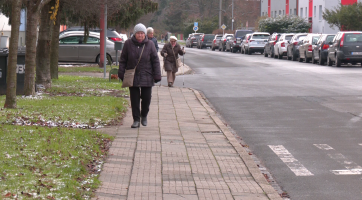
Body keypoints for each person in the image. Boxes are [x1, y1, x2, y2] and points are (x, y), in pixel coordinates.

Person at [118, 23, 161, 128]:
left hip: (147, 75)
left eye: (142, 33)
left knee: (146, 98)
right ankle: (136, 120)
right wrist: (121, 72)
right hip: (132, 76)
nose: (140, 35)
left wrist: (157, 75)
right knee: (134, 99)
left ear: (145, 34)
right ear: (135, 34)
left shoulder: (150, 44)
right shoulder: (128, 44)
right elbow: (123, 60)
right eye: (138, 33)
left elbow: (155, 60)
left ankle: (144, 115)